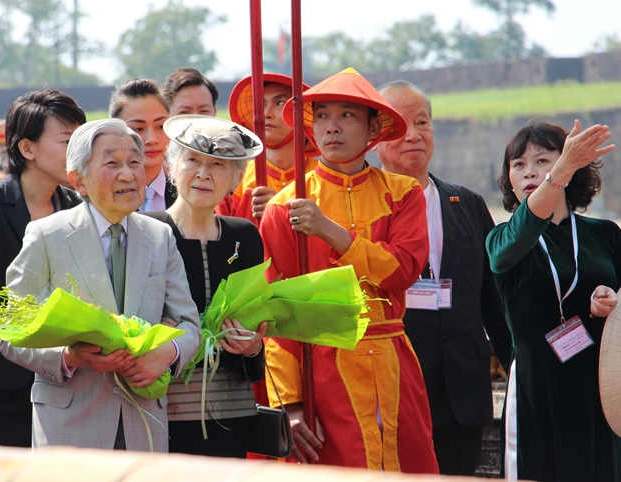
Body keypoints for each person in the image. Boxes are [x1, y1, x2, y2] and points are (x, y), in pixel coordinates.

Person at [259, 68, 439, 473]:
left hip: (393, 361)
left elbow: (403, 269)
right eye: (321, 116)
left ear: (374, 127)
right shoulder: (283, 207)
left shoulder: (403, 193)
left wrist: (328, 230)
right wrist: (289, 403)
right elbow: (277, 311)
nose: (332, 127)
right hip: (323, 368)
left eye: (347, 116)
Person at [0, 118, 201, 451]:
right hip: (71, 428)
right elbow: (11, 331)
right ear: (78, 180)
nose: (128, 174)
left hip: (144, 424)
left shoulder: (159, 236)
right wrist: (70, 356)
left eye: (134, 162)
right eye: (112, 163)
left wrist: (166, 353)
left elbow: (189, 324)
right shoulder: (47, 235)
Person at [374, 80, 513, 476]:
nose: (415, 135)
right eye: (401, 124)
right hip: (396, 389)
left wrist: (516, 364)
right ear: (375, 137)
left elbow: (493, 300)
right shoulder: (363, 206)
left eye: (423, 122)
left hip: (462, 391)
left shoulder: (465, 202)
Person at [486, 121, 620, 481]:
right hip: (537, 392)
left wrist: (610, 302)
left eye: (542, 160)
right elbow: (527, 225)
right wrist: (559, 170)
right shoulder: (504, 239)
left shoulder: (604, 234)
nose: (529, 171)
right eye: (518, 164)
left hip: (600, 390)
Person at [0, 89, 86, 446]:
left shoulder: (76, 209)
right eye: (66, 141)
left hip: (64, 386)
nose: (78, 153)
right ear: (27, 149)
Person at [145, 114, 267, 457]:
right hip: (160, 408)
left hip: (232, 411)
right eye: (193, 160)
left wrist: (252, 346)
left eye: (218, 164)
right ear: (171, 167)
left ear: (236, 179)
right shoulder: (146, 231)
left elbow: (255, 338)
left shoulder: (245, 236)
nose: (203, 173)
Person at [216, 73, 317, 223]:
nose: (266, 114)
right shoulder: (235, 178)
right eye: (261, 105)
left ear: (303, 115)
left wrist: (278, 209)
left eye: (280, 103)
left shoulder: (321, 178)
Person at [109, 78, 175, 211]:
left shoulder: (186, 196)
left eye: (160, 126)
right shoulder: (105, 197)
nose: (151, 139)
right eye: (138, 129)